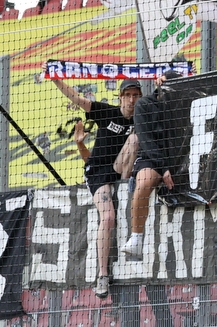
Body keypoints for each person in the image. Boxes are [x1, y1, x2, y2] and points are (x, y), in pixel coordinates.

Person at [52, 77, 142, 298]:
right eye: (127, 95)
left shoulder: (141, 118)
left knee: (135, 138)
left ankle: (123, 188)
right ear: (120, 97)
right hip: (98, 172)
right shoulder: (106, 112)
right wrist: (55, 77)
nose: (131, 100)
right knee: (108, 218)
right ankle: (103, 275)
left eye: (135, 95)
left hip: (120, 169)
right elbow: (75, 97)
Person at [122, 70, 183, 260]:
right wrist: (163, 168)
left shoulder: (183, 104)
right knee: (145, 181)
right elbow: (146, 140)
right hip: (152, 156)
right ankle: (136, 238)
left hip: (179, 157)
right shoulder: (144, 104)